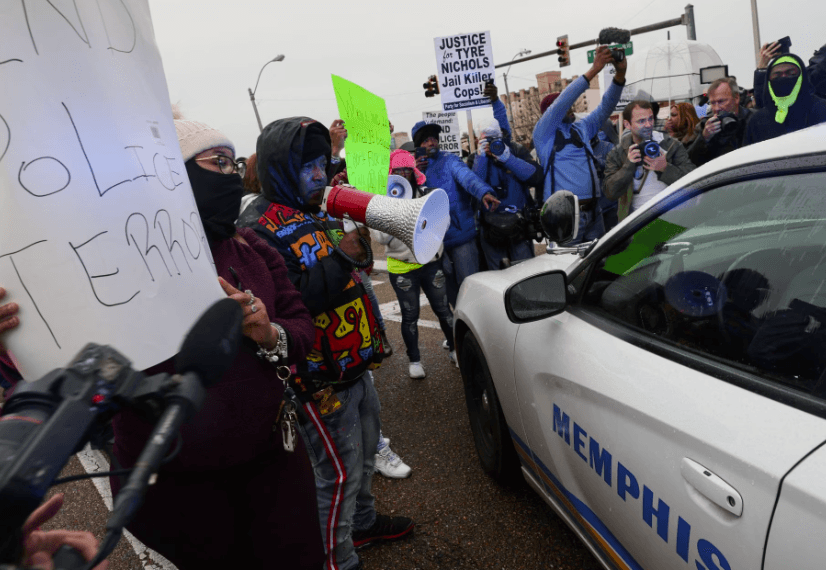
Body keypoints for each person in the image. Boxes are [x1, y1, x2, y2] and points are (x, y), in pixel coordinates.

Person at [112, 114, 324, 570]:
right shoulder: (120, 263)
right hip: (174, 486)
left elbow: (301, 325)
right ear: (175, 174)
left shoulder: (250, 246)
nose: (234, 175)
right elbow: (63, 364)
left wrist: (270, 334)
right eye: (219, 163)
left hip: (271, 463)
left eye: (236, 163)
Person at [237, 117, 414, 570]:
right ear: (279, 169)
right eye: (306, 166)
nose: (319, 174)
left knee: (367, 448)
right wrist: (342, 256)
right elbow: (291, 300)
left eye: (321, 163)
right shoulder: (258, 228)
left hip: (354, 366)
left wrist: (358, 245)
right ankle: (337, 560)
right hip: (317, 380)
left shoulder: (317, 208)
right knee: (338, 474)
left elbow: (354, 268)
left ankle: (363, 524)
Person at [373, 149, 456, 381]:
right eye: (397, 169)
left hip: (430, 262)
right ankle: (415, 360)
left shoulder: (426, 194)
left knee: (443, 311)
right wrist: (396, 213)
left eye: (406, 169)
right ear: (391, 172)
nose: (402, 173)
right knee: (410, 316)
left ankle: (455, 350)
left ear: (413, 171)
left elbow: (443, 223)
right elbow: (380, 239)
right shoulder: (383, 200)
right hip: (401, 267)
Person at [533, 46, 627, 244]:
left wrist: (620, 74)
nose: (570, 107)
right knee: (570, 269)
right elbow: (562, 103)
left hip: (594, 213)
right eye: (563, 106)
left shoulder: (581, 128)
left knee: (597, 267)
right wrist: (593, 71)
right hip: (565, 219)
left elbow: (606, 107)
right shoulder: (544, 134)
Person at [411, 120, 500, 308]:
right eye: (425, 141)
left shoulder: (449, 160)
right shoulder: (411, 172)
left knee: (471, 287)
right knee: (447, 292)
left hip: (461, 236)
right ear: (418, 145)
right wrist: (415, 175)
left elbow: (467, 177)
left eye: (434, 139)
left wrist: (483, 192)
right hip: (435, 242)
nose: (431, 143)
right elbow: (408, 203)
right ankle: (458, 330)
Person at [472, 83, 543, 270]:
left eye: (495, 138)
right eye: (486, 139)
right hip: (491, 227)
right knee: (497, 278)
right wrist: (481, 159)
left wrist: (507, 159)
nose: (492, 144)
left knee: (526, 273)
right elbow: (473, 189)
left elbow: (535, 177)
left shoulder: (513, 151)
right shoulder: (477, 158)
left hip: (519, 224)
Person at [603, 100, 696, 221]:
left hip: (674, 217)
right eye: (641, 121)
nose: (648, 125)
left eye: (650, 119)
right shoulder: (617, 153)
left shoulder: (671, 145)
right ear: (627, 124)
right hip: (637, 222)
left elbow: (693, 181)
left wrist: (665, 168)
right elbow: (610, 192)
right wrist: (628, 165)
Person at [745, 52, 826, 145]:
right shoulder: (757, 121)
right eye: (777, 75)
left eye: (791, 73)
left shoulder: (821, 109)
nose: (784, 77)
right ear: (769, 81)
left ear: (802, 77)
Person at [687, 77, 753, 167]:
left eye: (721, 101)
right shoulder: (705, 125)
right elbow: (690, 162)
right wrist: (704, 138)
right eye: (713, 103)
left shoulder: (752, 119)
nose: (717, 108)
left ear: (736, 98)